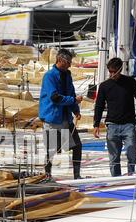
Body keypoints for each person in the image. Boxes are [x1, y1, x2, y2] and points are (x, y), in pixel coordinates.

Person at [39, 48, 83, 180]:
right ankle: (47, 175)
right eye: (68, 62)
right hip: (53, 119)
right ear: (60, 60)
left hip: (65, 119)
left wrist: (76, 110)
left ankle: (77, 175)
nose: (70, 64)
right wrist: (73, 100)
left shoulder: (67, 75)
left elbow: (71, 93)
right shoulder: (49, 76)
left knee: (77, 146)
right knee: (52, 150)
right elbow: (55, 98)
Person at [93, 57, 136, 177]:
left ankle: (131, 176)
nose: (112, 74)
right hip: (112, 125)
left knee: (132, 153)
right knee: (114, 158)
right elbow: (99, 105)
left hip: (128, 125)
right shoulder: (104, 86)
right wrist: (96, 125)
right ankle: (116, 179)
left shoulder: (131, 82)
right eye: (110, 71)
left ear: (120, 69)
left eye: (115, 71)